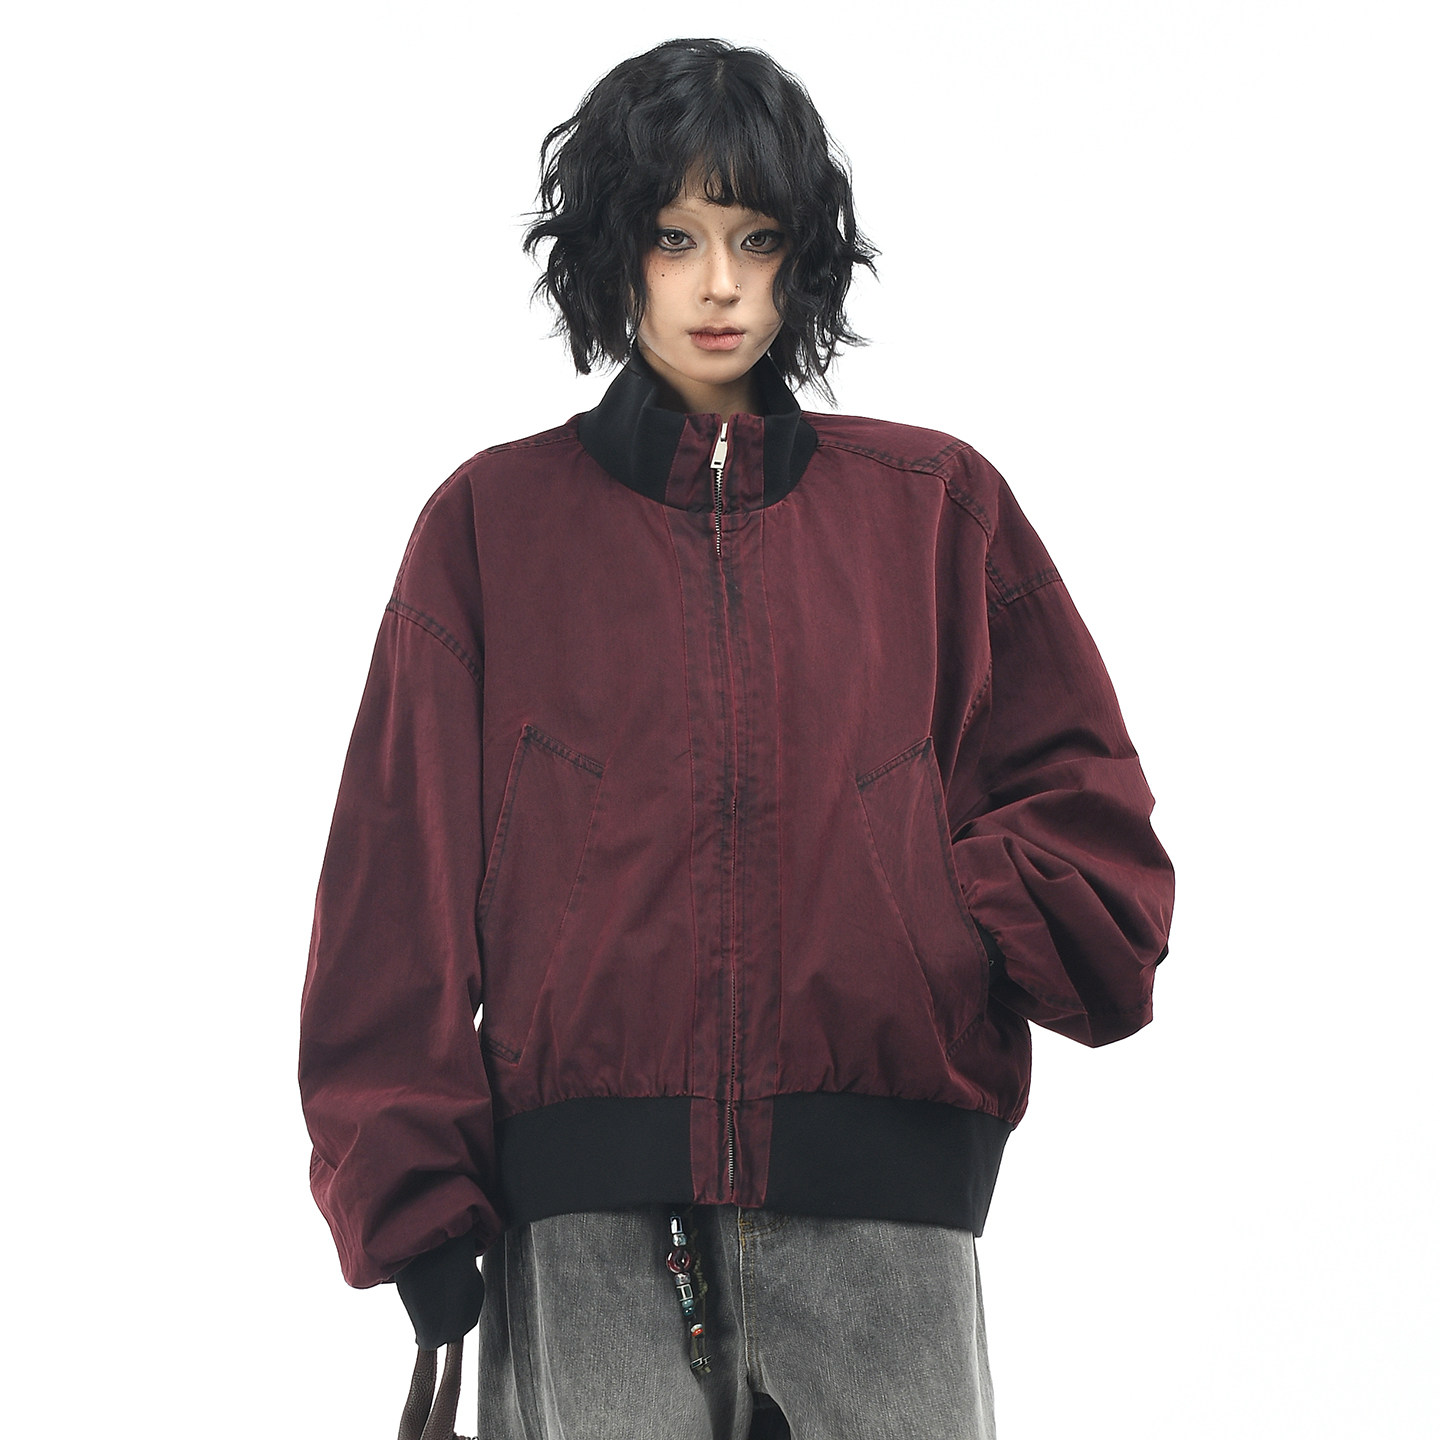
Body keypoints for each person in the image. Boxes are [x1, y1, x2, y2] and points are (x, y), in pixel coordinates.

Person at [298, 36, 1175, 1440]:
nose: (719, 285)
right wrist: (413, 1203)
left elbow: (1090, 826)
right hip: (581, 1235)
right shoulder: (488, 530)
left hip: (885, 1232)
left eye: (757, 239)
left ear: (802, 259)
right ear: (612, 255)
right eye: (675, 238)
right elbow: (391, 892)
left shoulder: (934, 512)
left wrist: (933, 913)